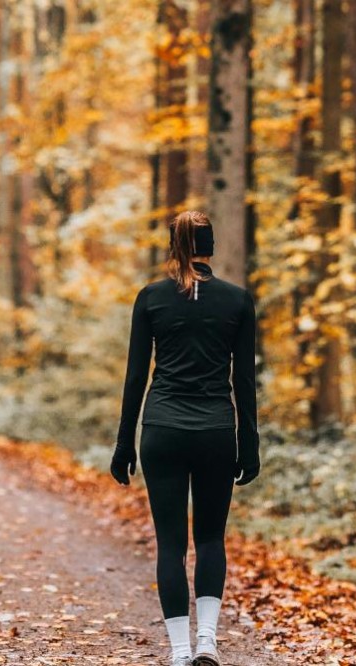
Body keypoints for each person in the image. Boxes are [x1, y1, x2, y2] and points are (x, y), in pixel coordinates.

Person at [110, 210, 261, 666]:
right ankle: (208, 643)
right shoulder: (237, 301)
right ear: (209, 247)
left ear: (171, 246)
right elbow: (244, 380)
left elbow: (136, 376)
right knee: (212, 539)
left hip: (162, 431)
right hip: (216, 431)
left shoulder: (151, 298)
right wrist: (249, 442)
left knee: (171, 544)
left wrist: (123, 442)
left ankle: (179, 652)